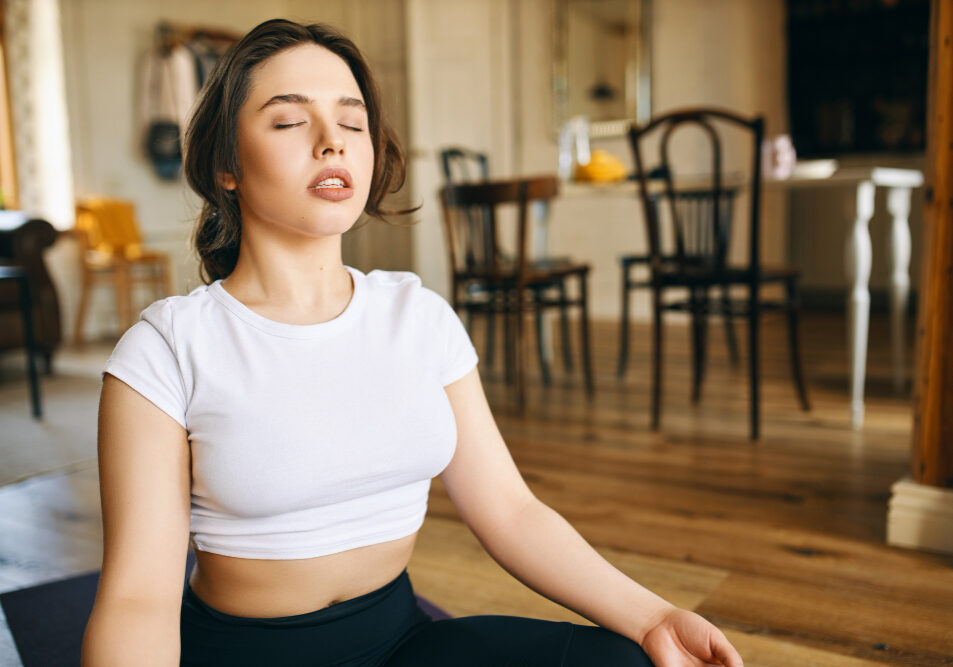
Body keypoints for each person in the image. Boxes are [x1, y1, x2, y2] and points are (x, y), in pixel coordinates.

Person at [81, 18, 744, 667]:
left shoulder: (418, 317)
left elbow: (510, 511)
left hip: (402, 641)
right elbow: (138, 597)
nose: (330, 142)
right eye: (289, 120)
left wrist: (653, 615)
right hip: (243, 652)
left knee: (627, 660)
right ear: (227, 164)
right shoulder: (167, 348)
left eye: (351, 122)